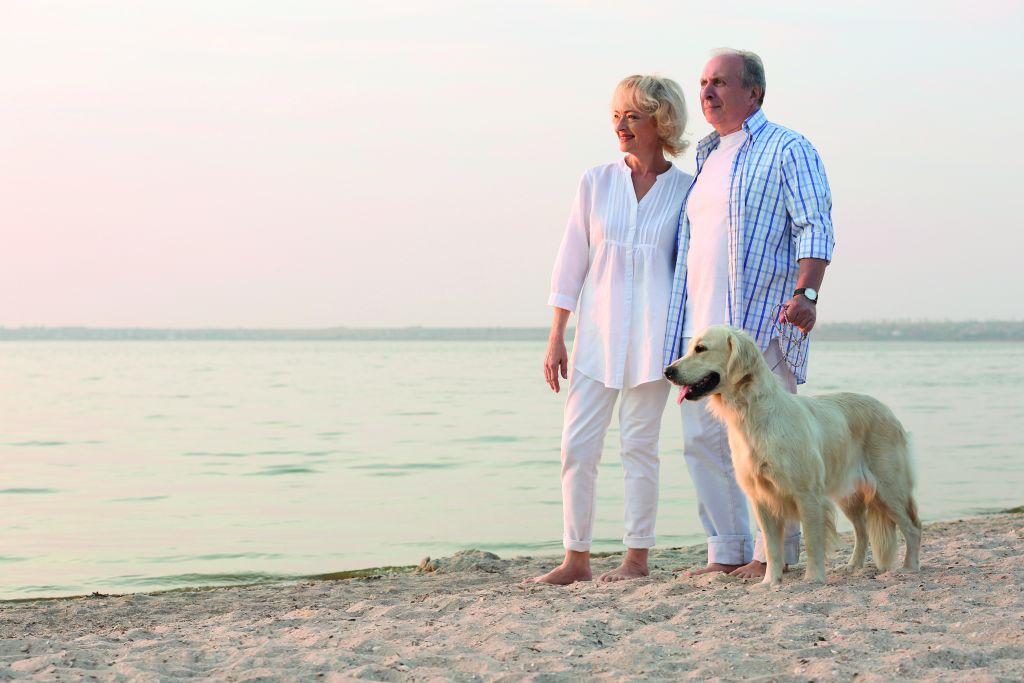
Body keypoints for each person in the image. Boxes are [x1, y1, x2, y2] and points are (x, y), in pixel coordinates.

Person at [663, 48, 835, 579]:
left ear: (753, 92)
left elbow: (815, 224)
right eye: (703, 83)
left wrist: (806, 294)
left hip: (762, 329)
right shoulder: (707, 156)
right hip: (706, 333)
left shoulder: (789, 148)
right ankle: (727, 550)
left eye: (720, 82)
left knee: (776, 448)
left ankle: (773, 556)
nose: (707, 92)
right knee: (703, 440)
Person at [526, 75, 693, 585]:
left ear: (660, 122)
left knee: (640, 448)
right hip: (595, 337)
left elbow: (689, 270)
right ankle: (575, 559)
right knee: (577, 447)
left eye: (632, 116)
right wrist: (557, 334)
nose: (620, 125)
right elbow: (571, 259)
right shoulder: (595, 182)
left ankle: (635, 560)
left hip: (654, 340)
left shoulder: (687, 190)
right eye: (616, 115)